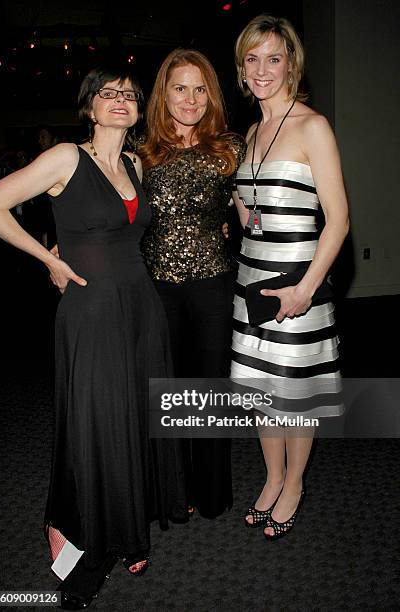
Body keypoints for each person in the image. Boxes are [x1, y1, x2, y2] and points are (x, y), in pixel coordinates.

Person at [0, 65, 188, 609]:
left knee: (131, 415)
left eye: (129, 95)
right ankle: (85, 537)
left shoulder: (135, 163)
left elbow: (131, 235)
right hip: (90, 310)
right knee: (94, 422)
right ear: (90, 107)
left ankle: (126, 524)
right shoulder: (65, 158)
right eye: (109, 94)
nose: (121, 101)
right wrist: (45, 259)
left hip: (139, 309)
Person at [230, 15, 349, 539]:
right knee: (263, 391)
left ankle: (295, 481)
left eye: (273, 58)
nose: (262, 69)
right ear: (241, 67)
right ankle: (272, 476)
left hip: (299, 281)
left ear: (291, 64)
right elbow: (248, 207)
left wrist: (304, 290)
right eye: (252, 59)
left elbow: (339, 219)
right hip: (251, 283)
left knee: (295, 394)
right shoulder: (251, 131)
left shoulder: (312, 126)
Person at [139, 49, 246, 519]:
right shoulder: (140, 152)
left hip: (212, 288)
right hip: (156, 287)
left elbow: (253, 213)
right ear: (163, 92)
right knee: (168, 390)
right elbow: (115, 213)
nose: (190, 99)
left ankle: (212, 492)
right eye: (180, 87)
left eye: (200, 89)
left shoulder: (230, 149)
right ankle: (171, 490)